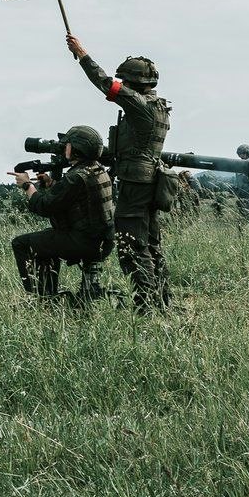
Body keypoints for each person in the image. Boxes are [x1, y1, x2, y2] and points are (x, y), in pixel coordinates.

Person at [66, 34, 173, 313]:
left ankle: (146, 306)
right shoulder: (159, 106)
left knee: (131, 245)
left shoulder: (140, 105)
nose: (121, 86)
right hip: (148, 179)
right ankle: (162, 301)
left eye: (125, 82)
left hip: (136, 183)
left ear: (133, 83)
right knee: (150, 243)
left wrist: (82, 55)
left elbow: (104, 83)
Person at [9, 124, 115, 302]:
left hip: (83, 242)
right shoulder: (97, 170)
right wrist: (51, 184)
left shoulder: (76, 176)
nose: (64, 147)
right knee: (45, 241)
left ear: (76, 148)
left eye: (68, 144)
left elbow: (44, 206)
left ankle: (43, 298)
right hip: (103, 240)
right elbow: (74, 198)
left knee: (21, 244)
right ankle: (49, 294)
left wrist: (27, 186)